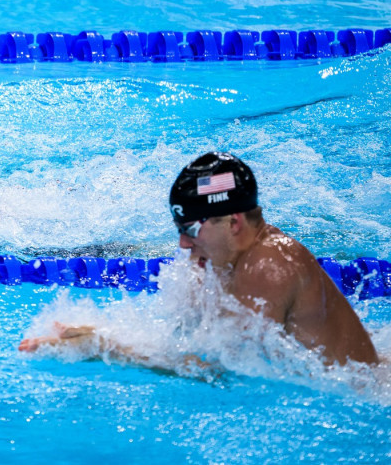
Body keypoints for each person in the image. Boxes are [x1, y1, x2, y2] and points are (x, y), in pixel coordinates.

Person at [20, 152, 379, 367]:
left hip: (361, 397)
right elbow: (193, 338)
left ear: (233, 222)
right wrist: (102, 331)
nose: (182, 243)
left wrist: (100, 347)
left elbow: (217, 368)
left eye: (190, 229)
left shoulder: (268, 266)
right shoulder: (231, 254)